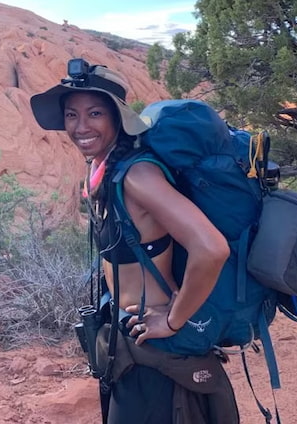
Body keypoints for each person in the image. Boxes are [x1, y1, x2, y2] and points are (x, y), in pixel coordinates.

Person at [31, 59, 240, 424]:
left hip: (155, 349)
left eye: (94, 113)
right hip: (129, 342)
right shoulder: (105, 169)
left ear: (117, 117)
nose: (81, 127)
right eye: (71, 115)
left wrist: (173, 321)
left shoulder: (137, 175)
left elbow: (212, 248)